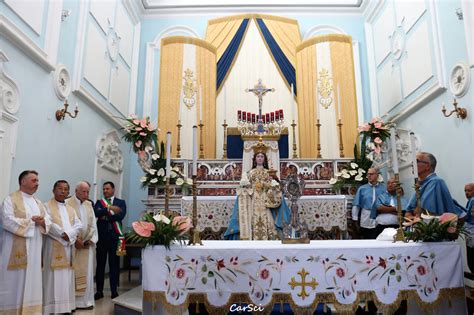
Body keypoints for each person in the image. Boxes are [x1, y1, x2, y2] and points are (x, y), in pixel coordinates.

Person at [0, 170, 51, 315]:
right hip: (14, 249)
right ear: (23, 182)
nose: (37, 183)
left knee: (32, 280)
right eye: (34, 180)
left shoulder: (38, 202)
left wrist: (42, 221)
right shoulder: (10, 200)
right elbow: (6, 220)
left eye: (37, 181)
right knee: (15, 280)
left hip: (35, 248)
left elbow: (48, 220)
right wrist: (31, 222)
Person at [224, 150, 290, 240]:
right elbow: (246, 187)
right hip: (253, 200)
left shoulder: (269, 173)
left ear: (265, 159)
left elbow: (275, 186)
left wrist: (272, 185)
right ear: (255, 159)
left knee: (269, 220)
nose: (260, 158)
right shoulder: (249, 173)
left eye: (262, 157)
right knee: (251, 218)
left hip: (265, 199)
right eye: (258, 156)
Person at [43, 180, 82, 314]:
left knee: (66, 277)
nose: (63, 191)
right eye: (60, 189)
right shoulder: (46, 206)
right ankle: (52, 308)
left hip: (68, 247)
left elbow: (78, 224)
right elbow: (48, 223)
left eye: (66, 189)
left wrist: (69, 235)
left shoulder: (70, 209)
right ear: (54, 190)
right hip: (53, 246)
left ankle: (66, 307)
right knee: (53, 277)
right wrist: (62, 234)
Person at [66, 181, 98, 310]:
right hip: (73, 245)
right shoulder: (68, 203)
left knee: (88, 273)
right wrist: (75, 240)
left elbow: (93, 225)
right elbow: (66, 224)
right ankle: (73, 303)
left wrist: (92, 239)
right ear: (76, 190)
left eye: (88, 192)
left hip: (86, 244)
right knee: (72, 273)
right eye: (83, 191)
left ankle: (86, 301)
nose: (86, 194)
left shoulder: (89, 204)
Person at [406, 152, 466, 219]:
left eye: (416, 161)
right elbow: (408, 212)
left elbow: (426, 212)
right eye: (412, 161)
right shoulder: (420, 185)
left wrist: (415, 213)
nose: (412, 164)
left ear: (427, 166)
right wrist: (413, 215)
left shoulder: (436, 182)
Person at [94, 181, 127, 300]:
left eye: (107, 189)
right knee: (100, 266)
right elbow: (96, 213)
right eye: (103, 189)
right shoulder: (99, 202)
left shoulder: (121, 202)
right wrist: (110, 208)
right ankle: (99, 291)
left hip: (116, 239)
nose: (105, 191)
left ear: (113, 190)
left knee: (114, 265)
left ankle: (114, 290)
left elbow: (120, 216)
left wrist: (106, 215)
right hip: (102, 238)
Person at [351, 168, 386, 239]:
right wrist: (355, 220)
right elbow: (356, 205)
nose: (369, 176)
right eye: (368, 174)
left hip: (379, 216)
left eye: (371, 174)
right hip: (366, 216)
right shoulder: (362, 189)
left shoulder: (383, 188)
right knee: (367, 238)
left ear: (377, 175)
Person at [464, 183, 474, 273]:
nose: (466, 193)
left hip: (472, 233)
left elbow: (466, 216)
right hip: (470, 232)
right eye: (465, 191)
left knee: (471, 259)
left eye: (469, 190)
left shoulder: (472, 200)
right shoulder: (470, 200)